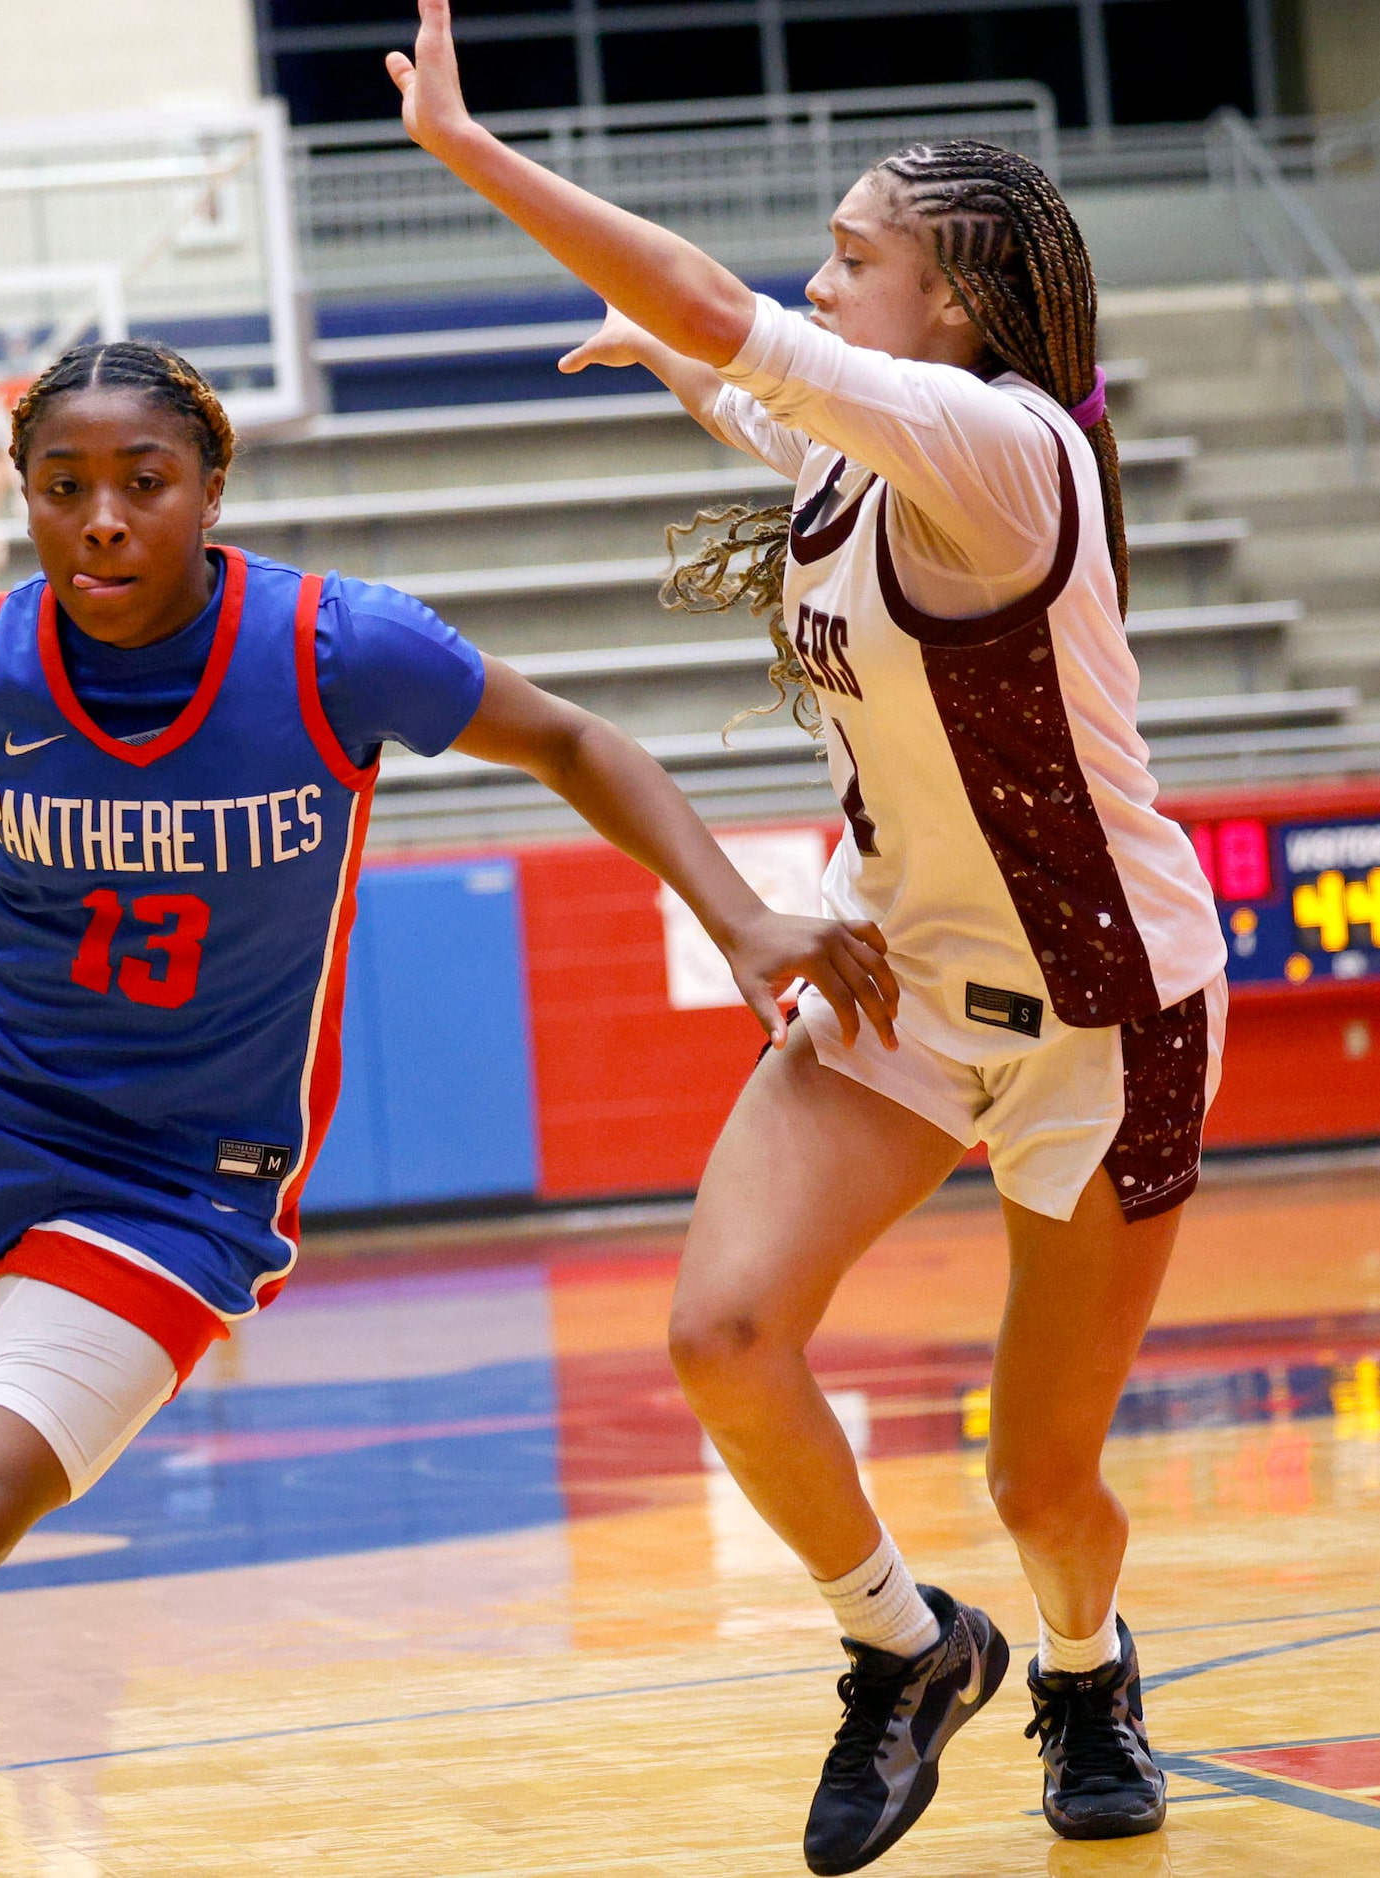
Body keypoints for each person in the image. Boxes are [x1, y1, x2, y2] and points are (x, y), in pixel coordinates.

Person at [0, 336, 894, 1878]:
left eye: (142, 482)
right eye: (64, 489)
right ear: (26, 505)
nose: (104, 519)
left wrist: (736, 914)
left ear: (210, 490)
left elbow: (574, 739)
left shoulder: (337, 650)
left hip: (183, 1177)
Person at [387, 3, 1219, 1868]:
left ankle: (1083, 1668)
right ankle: (905, 1648)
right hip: (894, 974)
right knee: (722, 1332)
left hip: (1100, 1007)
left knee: (1037, 1470)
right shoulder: (855, 446)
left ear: (959, 310)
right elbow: (737, 378)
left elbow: (716, 315)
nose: (817, 278)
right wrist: (663, 354)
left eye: (857, 258)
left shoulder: (1004, 452)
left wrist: (468, 149)